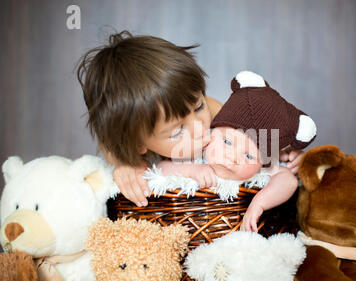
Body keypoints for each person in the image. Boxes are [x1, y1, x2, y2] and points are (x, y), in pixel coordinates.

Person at [76, 31, 304, 207]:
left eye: (198, 107)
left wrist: (280, 150)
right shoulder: (128, 142)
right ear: (138, 144)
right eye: (177, 131)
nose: (200, 128)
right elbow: (111, 142)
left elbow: (249, 136)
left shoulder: (215, 111)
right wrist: (125, 164)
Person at [157, 71, 317, 231]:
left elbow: (288, 180)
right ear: (212, 132)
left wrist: (259, 203)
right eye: (227, 141)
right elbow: (160, 169)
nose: (232, 157)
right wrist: (191, 170)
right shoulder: (199, 150)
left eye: (248, 155)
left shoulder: (259, 170)